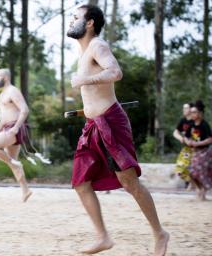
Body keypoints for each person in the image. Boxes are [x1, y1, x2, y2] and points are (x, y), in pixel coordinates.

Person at [66, 5, 169, 255]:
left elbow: (116, 72)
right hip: (92, 126)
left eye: (75, 17)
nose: (71, 21)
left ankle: (160, 233)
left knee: (129, 182)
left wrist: (85, 80)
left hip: (110, 121)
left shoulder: (97, 46)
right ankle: (103, 237)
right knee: (80, 183)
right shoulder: (83, 53)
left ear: (89, 23)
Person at [0, 68, 32, 202]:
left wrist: (16, 128)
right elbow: (2, 119)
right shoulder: (2, 95)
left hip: (13, 128)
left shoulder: (13, 91)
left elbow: (24, 109)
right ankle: (26, 190)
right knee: (12, 162)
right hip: (6, 127)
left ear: (5, 77)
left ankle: (16, 165)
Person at [185, 100, 212, 201]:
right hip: (195, 152)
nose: (192, 114)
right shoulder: (191, 124)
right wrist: (188, 142)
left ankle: (203, 192)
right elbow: (186, 137)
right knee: (191, 172)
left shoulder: (204, 125)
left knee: (201, 172)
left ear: (200, 113)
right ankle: (199, 189)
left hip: (205, 152)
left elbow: (210, 139)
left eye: (194, 112)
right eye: (191, 112)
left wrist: (197, 143)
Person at [173, 103, 194, 185]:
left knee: (193, 168)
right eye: (183, 108)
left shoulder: (195, 121)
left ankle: (192, 185)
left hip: (196, 149)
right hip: (187, 149)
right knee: (180, 168)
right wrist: (180, 138)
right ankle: (189, 183)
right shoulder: (183, 120)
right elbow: (175, 132)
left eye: (186, 108)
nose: (184, 110)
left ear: (191, 109)